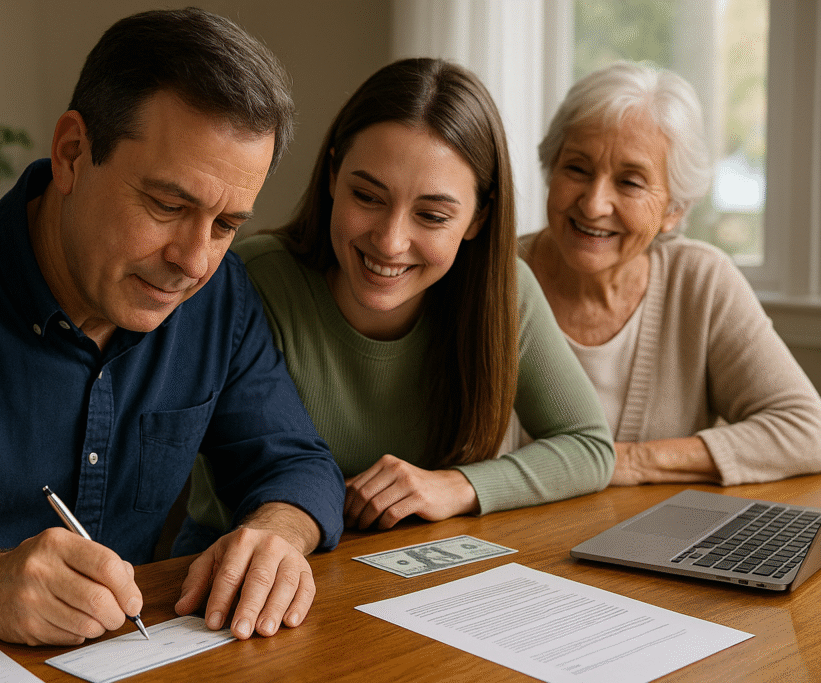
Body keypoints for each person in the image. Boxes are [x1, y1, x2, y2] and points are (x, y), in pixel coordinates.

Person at [0, 8, 346, 645]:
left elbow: (297, 463)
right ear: (71, 154)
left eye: (227, 226)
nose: (193, 261)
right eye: (168, 205)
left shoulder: (218, 297)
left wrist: (280, 530)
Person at [176, 58, 615, 556]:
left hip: (411, 558)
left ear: (478, 218)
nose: (389, 241)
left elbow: (589, 447)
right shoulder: (249, 279)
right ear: (332, 175)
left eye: (431, 215)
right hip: (235, 559)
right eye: (367, 196)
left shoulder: (504, 293)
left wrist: (454, 486)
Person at [519, 60, 821, 486]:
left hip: (656, 543)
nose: (593, 204)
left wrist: (629, 462)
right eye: (577, 169)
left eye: (630, 182)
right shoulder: (495, 278)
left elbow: (807, 430)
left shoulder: (699, 281)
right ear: (552, 168)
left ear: (674, 210)